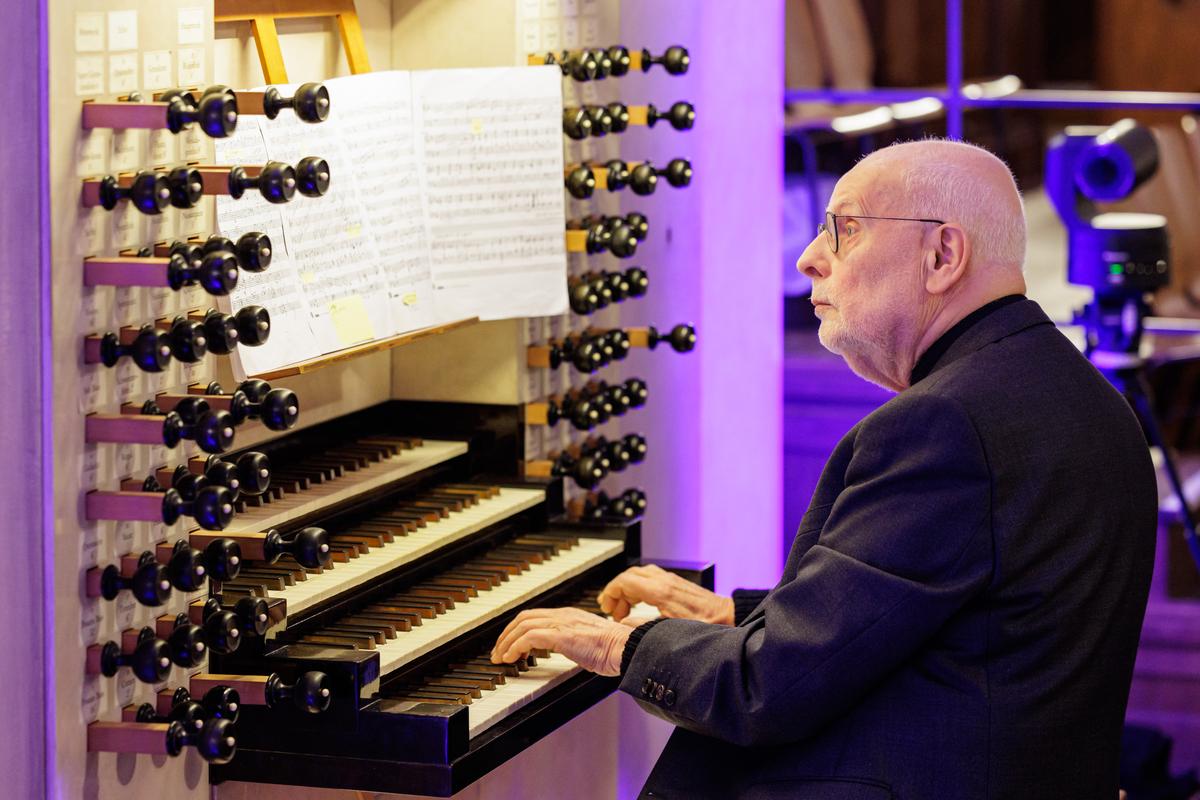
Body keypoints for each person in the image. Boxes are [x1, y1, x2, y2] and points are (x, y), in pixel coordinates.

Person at [491, 139, 1157, 799]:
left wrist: (624, 647)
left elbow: (769, 690)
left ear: (943, 255)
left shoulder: (945, 426)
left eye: (845, 230)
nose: (810, 258)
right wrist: (738, 616)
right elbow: (943, 618)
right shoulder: (1077, 394)